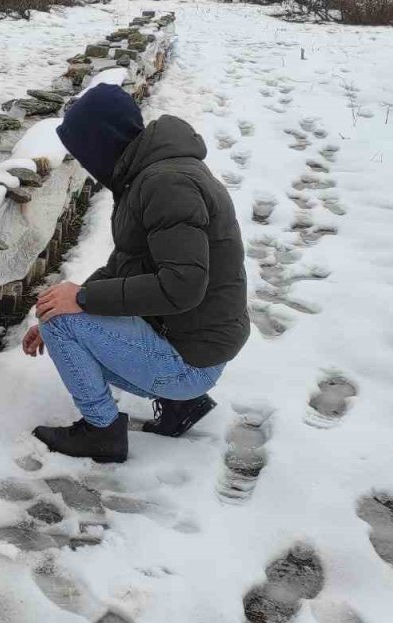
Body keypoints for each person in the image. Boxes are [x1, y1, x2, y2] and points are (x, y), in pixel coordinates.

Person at [23, 84, 250, 464]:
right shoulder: (153, 174)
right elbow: (124, 265)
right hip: (199, 342)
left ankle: (102, 433)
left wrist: (78, 302)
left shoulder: (165, 184)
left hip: (191, 360)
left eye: (82, 151)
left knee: (60, 326)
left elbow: (182, 287)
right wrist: (64, 303)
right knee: (61, 314)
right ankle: (182, 405)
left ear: (100, 142)